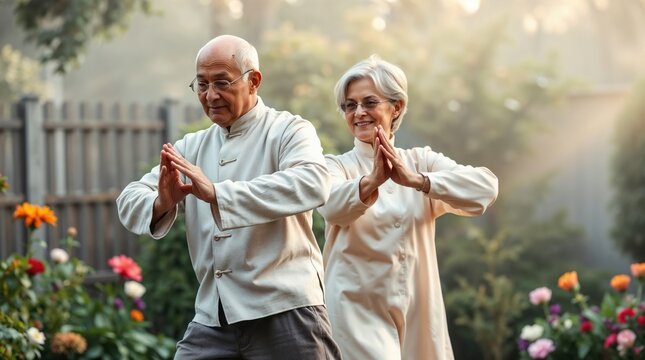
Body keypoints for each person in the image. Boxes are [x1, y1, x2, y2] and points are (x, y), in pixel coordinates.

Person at [116, 35, 341, 360]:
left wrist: (218, 193)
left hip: (287, 311)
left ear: (254, 81)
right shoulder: (190, 147)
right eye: (201, 84)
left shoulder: (289, 130)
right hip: (213, 318)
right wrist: (162, 202)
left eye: (221, 82)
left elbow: (312, 183)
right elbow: (129, 199)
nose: (210, 95)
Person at [318, 55, 499, 360]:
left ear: (396, 106)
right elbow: (332, 207)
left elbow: (485, 187)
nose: (358, 112)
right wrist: (372, 181)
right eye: (350, 105)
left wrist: (419, 181)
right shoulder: (335, 166)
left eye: (369, 102)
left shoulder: (420, 161)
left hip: (418, 307)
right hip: (354, 311)